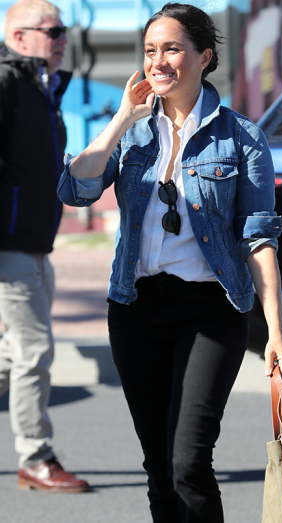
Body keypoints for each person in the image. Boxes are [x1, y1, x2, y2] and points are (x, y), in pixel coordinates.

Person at [57, 3, 282, 520]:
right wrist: (122, 118)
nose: (158, 61)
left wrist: (275, 332)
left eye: (172, 49)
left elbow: (259, 239)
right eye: (150, 50)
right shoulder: (134, 133)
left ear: (204, 57)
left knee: (189, 461)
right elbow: (76, 189)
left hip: (210, 310)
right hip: (136, 309)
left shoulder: (241, 136)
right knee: (160, 469)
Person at [0, 0, 89, 493]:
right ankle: (35, 457)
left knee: (15, 356)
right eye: (52, 31)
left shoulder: (42, 89)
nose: (62, 39)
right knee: (34, 351)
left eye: (64, 31)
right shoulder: (7, 81)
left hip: (36, 243)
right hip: (9, 244)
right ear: (20, 37)